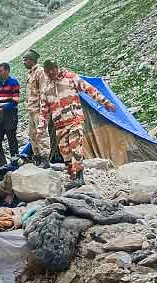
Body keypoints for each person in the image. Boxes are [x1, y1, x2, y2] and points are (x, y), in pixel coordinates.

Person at [40, 60, 115, 189]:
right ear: (45, 72)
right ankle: (73, 178)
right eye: (48, 70)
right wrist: (40, 128)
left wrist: (105, 102)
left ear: (57, 68)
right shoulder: (46, 89)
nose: (52, 72)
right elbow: (44, 111)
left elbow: (89, 89)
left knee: (76, 148)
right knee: (65, 152)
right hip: (59, 125)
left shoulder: (70, 78)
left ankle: (80, 178)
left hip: (74, 120)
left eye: (53, 69)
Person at [23, 49, 51, 168]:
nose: (23, 62)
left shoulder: (40, 72)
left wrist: (43, 109)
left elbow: (44, 91)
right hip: (31, 109)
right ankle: (37, 157)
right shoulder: (30, 73)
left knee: (42, 134)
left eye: (25, 60)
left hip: (39, 110)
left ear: (31, 60)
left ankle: (46, 158)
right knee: (32, 135)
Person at [0, 62, 20, 166]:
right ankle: (2, 162)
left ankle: (15, 161)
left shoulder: (13, 83)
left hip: (10, 114)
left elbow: (16, 100)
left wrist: (3, 107)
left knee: (11, 137)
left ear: (7, 71)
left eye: (0, 71)